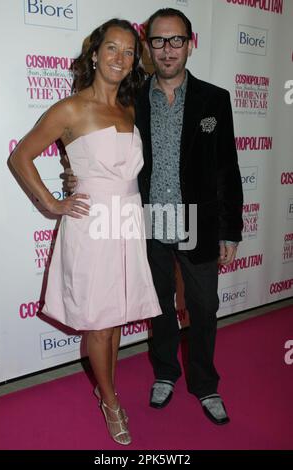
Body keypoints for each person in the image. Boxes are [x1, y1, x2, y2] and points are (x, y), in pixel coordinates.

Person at [66, 8, 244, 426]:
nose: (167, 50)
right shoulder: (131, 100)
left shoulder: (214, 99)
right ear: (148, 48)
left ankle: (205, 383)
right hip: (145, 220)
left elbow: (227, 169)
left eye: (176, 40)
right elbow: (96, 139)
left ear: (190, 43)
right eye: (159, 41)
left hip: (197, 220)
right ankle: (165, 372)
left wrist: (230, 230)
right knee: (159, 306)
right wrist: (73, 169)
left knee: (203, 307)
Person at [10, 18, 162, 446]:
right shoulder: (70, 109)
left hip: (127, 221)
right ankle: (111, 402)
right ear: (94, 54)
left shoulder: (131, 108)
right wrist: (53, 203)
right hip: (91, 225)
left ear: (136, 60)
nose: (120, 57)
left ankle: (104, 385)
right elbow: (21, 156)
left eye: (129, 51)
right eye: (112, 48)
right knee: (98, 322)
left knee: (113, 320)